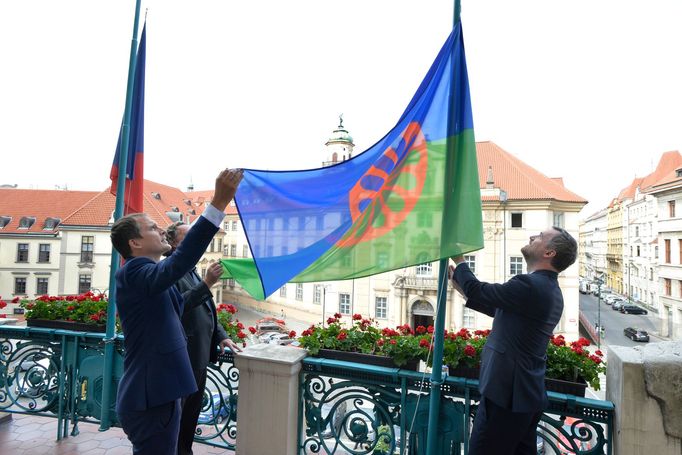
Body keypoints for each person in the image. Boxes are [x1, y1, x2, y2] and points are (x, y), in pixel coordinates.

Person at [110, 168, 243, 454]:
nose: (160, 230)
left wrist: (217, 331)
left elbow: (180, 304)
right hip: (151, 396)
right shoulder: (134, 272)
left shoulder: (149, 273)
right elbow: (179, 262)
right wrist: (218, 203)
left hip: (161, 391)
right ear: (135, 243)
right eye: (152, 228)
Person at [449, 226, 577, 455]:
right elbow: (496, 308)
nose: (532, 236)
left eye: (539, 236)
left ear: (549, 253)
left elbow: (480, 291)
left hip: (506, 396)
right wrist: (462, 287)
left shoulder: (530, 285)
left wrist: (458, 258)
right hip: (522, 397)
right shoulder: (548, 289)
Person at [165, 222, 242, 455]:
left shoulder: (190, 269)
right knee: (177, 418)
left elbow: (206, 309)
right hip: (182, 358)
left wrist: (221, 336)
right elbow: (177, 307)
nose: (200, 242)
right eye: (190, 237)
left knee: (190, 416)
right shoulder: (169, 271)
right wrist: (207, 283)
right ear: (175, 244)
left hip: (197, 356)